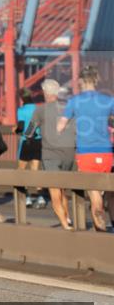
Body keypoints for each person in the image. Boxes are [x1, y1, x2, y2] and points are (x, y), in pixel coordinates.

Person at [58, 65, 114, 232]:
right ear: (96, 80)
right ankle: (104, 215)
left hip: (86, 152)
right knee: (106, 189)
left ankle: (99, 220)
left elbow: (60, 126)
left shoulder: (74, 101)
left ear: (81, 81)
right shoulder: (108, 100)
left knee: (93, 190)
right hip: (106, 152)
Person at [26, 79, 77, 230]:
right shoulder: (68, 108)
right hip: (69, 153)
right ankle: (67, 218)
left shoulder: (40, 110)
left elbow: (29, 132)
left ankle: (64, 224)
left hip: (50, 154)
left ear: (45, 93)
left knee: (55, 191)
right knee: (63, 189)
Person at [15, 90, 46, 209]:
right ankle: (41, 197)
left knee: (22, 170)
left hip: (26, 142)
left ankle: (27, 197)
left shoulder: (21, 110)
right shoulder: (38, 109)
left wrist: (16, 130)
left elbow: (21, 127)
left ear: (22, 98)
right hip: (38, 141)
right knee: (35, 170)